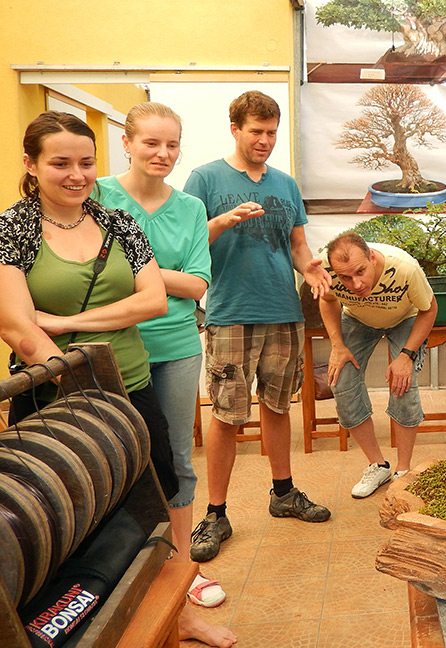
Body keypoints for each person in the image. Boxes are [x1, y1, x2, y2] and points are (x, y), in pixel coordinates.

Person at [0, 112, 230, 643]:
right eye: (60, 163)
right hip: (53, 399)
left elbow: (152, 299)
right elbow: (18, 326)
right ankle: (63, 624)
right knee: (63, 519)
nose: (76, 174)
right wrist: (84, 389)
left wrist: (67, 323)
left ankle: (177, 611)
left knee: (151, 503)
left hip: (132, 384)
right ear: (31, 165)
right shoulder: (13, 228)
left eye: (85, 162)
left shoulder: (116, 222)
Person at [95, 102, 236, 647]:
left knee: (175, 460)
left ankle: (182, 580)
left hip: (176, 346)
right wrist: (161, 277)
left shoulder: (192, 206)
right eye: (151, 143)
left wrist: (138, 269)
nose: (163, 154)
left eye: (172, 144)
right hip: (108, 348)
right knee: (112, 467)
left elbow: (200, 285)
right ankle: (119, 581)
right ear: (126, 143)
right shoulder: (98, 195)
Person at [183, 90, 332, 564]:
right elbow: (186, 241)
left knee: (276, 406)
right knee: (227, 414)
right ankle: (215, 513)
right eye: (256, 132)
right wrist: (223, 220)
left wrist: (310, 270)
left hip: (282, 312)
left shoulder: (285, 185)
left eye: (271, 132)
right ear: (235, 129)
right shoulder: (205, 178)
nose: (264, 140)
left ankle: (283, 493)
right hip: (230, 312)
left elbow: (297, 245)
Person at [318, 232, 437, 498]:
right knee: (342, 380)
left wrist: (406, 355)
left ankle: (403, 471)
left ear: (372, 257)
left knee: (403, 383)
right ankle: (378, 465)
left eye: (360, 272)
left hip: (406, 317)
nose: (356, 283)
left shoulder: (405, 268)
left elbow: (430, 309)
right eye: (346, 277)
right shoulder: (326, 269)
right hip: (358, 319)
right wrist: (337, 345)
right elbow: (327, 302)